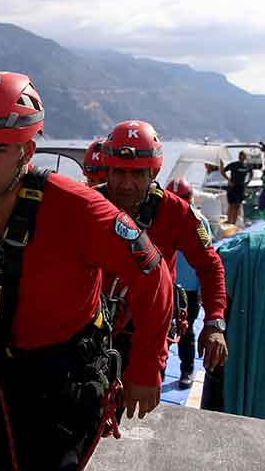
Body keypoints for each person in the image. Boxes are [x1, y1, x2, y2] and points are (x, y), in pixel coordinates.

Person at [0, 71, 173, 471]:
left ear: (28, 151)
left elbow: (153, 276)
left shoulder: (79, 210)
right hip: (5, 373)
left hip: (66, 377)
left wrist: (146, 368)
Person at [97, 121, 227, 390]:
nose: (127, 184)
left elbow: (210, 265)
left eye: (138, 174)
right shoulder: (86, 205)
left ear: (153, 173)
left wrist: (214, 322)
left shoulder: (176, 213)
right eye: (119, 172)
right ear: (106, 170)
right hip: (94, 326)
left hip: (148, 331)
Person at [166, 178, 212, 388]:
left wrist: (204, 289)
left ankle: (187, 369)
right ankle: (158, 371)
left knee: (186, 331)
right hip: (164, 287)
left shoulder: (199, 222)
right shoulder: (157, 219)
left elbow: (208, 261)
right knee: (158, 331)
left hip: (189, 290)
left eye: (183, 198)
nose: (179, 202)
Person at [221, 151, 251, 224]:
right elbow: (223, 171)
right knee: (231, 204)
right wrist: (228, 180)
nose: (242, 158)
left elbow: (251, 173)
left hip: (241, 187)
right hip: (232, 187)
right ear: (239, 157)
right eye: (241, 156)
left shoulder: (247, 166)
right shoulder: (233, 164)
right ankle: (229, 220)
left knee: (237, 205)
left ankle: (233, 222)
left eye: (244, 156)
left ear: (245, 157)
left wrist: (247, 182)